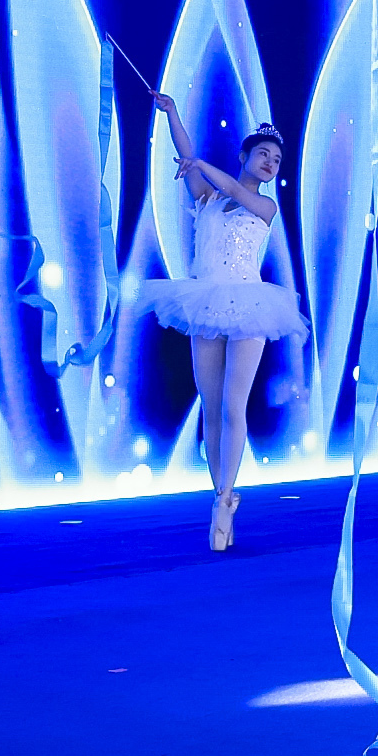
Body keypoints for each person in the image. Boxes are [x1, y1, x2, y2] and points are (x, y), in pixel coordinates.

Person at [145, 100, 308, 551]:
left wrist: (201, 164)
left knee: (234, 405)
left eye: (276, 159)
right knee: (211, 405)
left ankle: (223, 499)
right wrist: (172, 114)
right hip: (206, 302)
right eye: (263, 154)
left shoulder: (264, 205)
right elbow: (187, 157)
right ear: (244, 155)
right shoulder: (208, 200)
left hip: (250, 305)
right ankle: (222, 495)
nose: (270, 162)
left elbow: (233, 188)